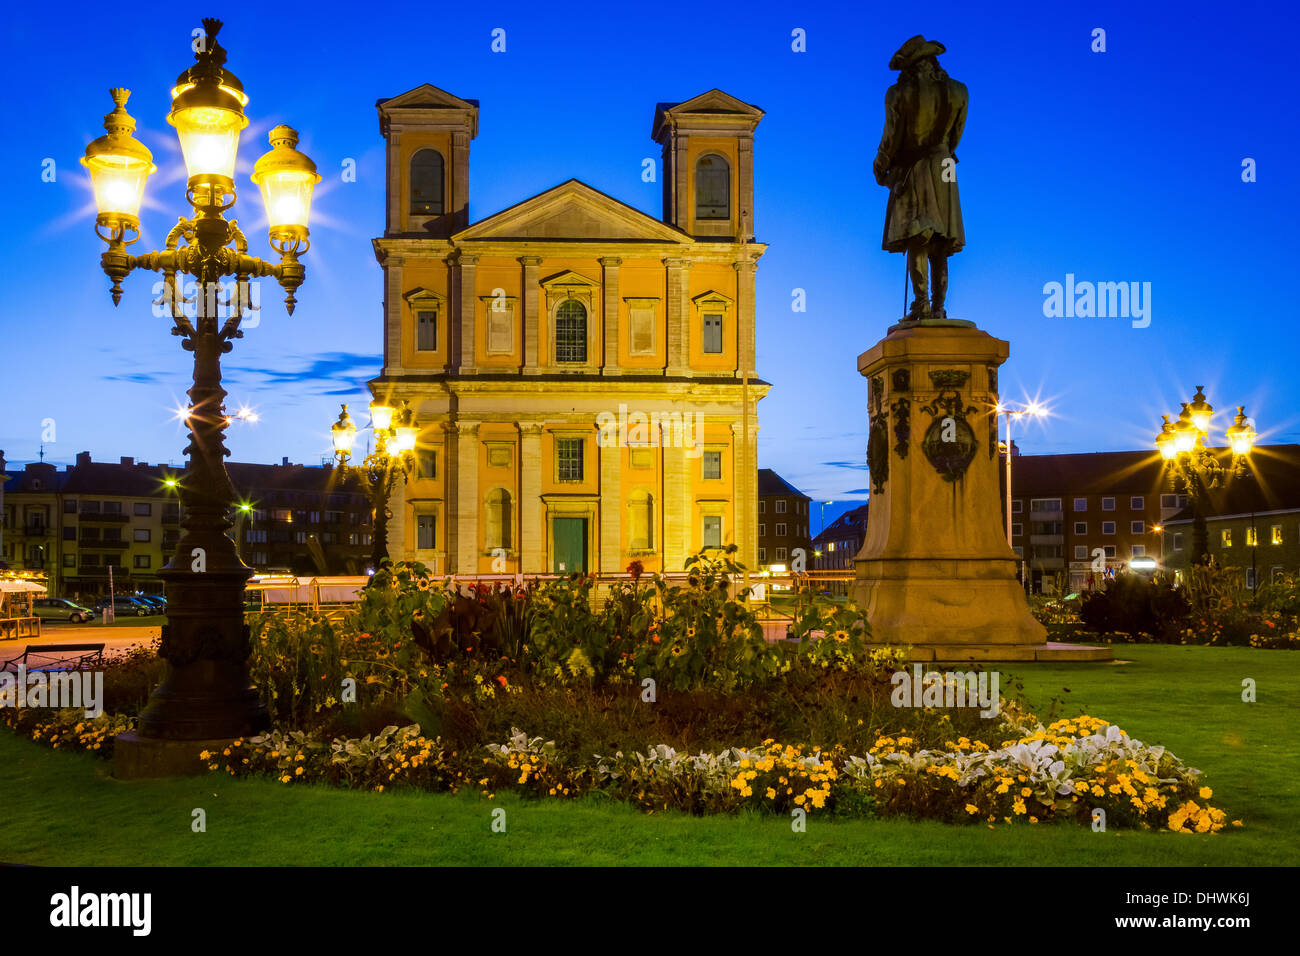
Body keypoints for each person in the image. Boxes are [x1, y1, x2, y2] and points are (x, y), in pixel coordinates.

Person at [873, 35, 967, 320]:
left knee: (919, 236)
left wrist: (881, 168)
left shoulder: (899, 94)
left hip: (916, 167)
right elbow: (956, 136)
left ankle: (921, 304)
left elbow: (891, 138)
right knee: (942, 240)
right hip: (945, 166)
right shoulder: (959, 91)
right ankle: (939, 308)